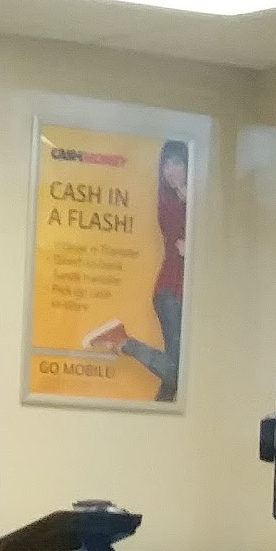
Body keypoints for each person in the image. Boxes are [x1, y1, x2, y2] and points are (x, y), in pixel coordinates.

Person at [85, 139, 189, 403]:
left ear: (189, 166)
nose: (170, 170)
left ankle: (157, 420)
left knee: (172, 378)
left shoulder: (190, 201)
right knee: (181, 373)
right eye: (166, 164)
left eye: (177, 163)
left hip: (183, 295)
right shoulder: (169, 203)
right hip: (171, 294)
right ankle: (123, 340)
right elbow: (182, 245)